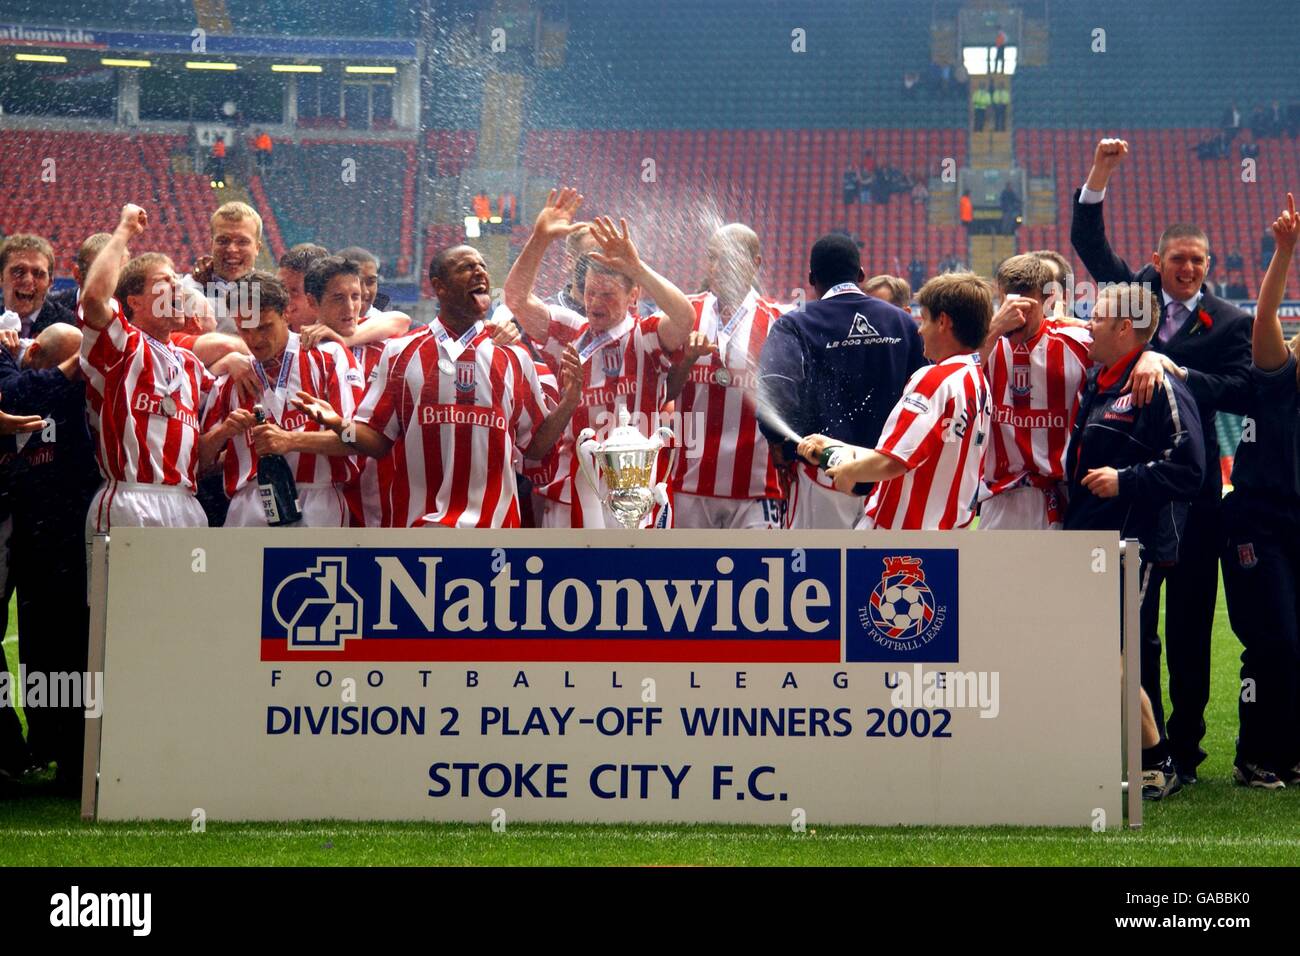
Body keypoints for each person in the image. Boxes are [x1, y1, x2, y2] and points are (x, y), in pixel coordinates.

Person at [1072, 136, 1253, 784]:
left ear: (1209, 263)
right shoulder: (1132, 299)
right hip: (1138, 502)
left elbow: (1243, 388)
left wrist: (1169, 366)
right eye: (1179, 259)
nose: (1188, 269)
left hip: (1196, 492)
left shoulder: (1230, 321)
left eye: (1198, 261)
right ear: (1158, 260)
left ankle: (1190, 746)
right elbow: (1089, 245)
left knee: (1193, 629)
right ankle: (1148, 749)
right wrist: (1100, 176)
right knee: (1138, 628)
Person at [292, 245, 582, 528]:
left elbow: (535, 447)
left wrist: (569, 402)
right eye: (467, 267)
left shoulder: (514, 357)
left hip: (494, 532)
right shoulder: (400, 353)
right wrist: (339, 423)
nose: (480, 272)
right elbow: (378, 442)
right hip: (417, 532)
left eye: (482, 266)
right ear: (439, 286)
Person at [1063, 282, 1204, 800]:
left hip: (1132, 544)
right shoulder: (1102, 379)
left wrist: (1126, 479)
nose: (1087, 325)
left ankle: (1157, 759)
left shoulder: (1159, 384)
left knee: (1113, 651)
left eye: (1096, 317)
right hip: (1088, 536)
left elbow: (1190, 468)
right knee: (1104, 650)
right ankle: (1129, 752)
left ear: (1125, 327)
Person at [503, 187, 696, 529]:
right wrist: (539, 239)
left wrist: (638, 268)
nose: (595, 303)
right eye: (591, 292)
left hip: (637, 493)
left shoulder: (646, 336)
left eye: (607, 295)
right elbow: (517, 300)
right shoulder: (569, 332)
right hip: (569, 494)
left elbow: (684, 317)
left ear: (633, 295)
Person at [79, 204, 230, 545]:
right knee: (123, 601)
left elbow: (202, 456)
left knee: (187, 601)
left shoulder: (191, 366)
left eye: (179, 282)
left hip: (187, 504)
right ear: (135, 301)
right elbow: (92, 299)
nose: (179, 290)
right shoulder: (123, 345)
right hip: (131, 499)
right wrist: (125, 229)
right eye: (165, 282)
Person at [796, 271, 991, 530]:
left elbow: (893, 462)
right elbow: (912, 455)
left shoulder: (934, 380)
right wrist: (840, 446)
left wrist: (848, 472)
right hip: (945, 537)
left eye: (925, 321)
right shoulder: (976, 381)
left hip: (896, 537)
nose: (919, 330)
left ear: (943, 322)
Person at [757, 233, 925, 529]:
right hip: (888, 477)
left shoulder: (796, 323)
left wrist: (782, 443)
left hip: (821, 477)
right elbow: (925, 392)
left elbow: (775, 390)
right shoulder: (902, 322)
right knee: (881, 571)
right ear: (861, 274)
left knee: (816, 570)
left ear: (811, 278)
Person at [1220, 193, 1300, 789]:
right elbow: (1266, 318)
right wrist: (1285, 253)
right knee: (1274, 641)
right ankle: (1255, 754)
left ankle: (1290, 752)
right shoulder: (1278, 380)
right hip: (1257, 522)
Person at [0, 323, 99, 793]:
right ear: (37, 353)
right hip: (30, 539)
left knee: (69, 650)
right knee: (38, 651)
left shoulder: (82, 397)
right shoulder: (21, 380)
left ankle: (75, 755)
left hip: (65, 541)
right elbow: (16, 394)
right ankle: (43, 746)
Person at [200, 272, 364, 527]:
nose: (255, 340)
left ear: (287, 312)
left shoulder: (329, 358)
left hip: (318, 500)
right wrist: (222, 433)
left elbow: (357, 439)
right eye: (245, 329)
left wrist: (291, 440)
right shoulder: (232, 378)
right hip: (248, 506)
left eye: (264, 327)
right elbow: (199, 465)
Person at [662, 223, 785, 530]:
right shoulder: (686, 314)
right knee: (690, 577)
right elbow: (664, 393)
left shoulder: (781, 321)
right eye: (712, 258)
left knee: (759, 576)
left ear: (755, 264)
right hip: (691, 485)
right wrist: (687, 361)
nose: (716, 267)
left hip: (756, 489)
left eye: (726, 258)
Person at [183, 201, 264, 334]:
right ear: (211, 244)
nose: (232, 249)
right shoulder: (184, 290)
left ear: (257, 248)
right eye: (223, 241)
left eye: (242, 242)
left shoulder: (274, 297)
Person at [0, 235, 76, 339]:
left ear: (50, 283)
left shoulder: (66, 325)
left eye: (38, 273)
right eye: (18, 271)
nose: (28, 280)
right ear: (1, 277)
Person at [276, 244, 330, 332]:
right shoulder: (264, 329)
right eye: (279, 289)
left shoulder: (351, 336)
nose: (283, 300)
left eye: (294, 292)